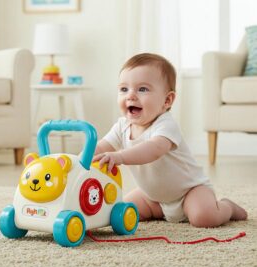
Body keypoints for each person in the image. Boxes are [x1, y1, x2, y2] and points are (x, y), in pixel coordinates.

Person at [93, 53, 247, 227]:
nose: (130, 96)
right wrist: (78, 159)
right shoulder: (122, 126)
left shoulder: (165, 124)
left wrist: (119, 157)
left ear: (167, 100)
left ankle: (227, 207)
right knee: (119, 212)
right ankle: (158, 212)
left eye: (142, 89)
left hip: (189, 192)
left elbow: (154, 149)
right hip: (153, 198)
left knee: (205, 218)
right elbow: (101, 147)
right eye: (124, 89)